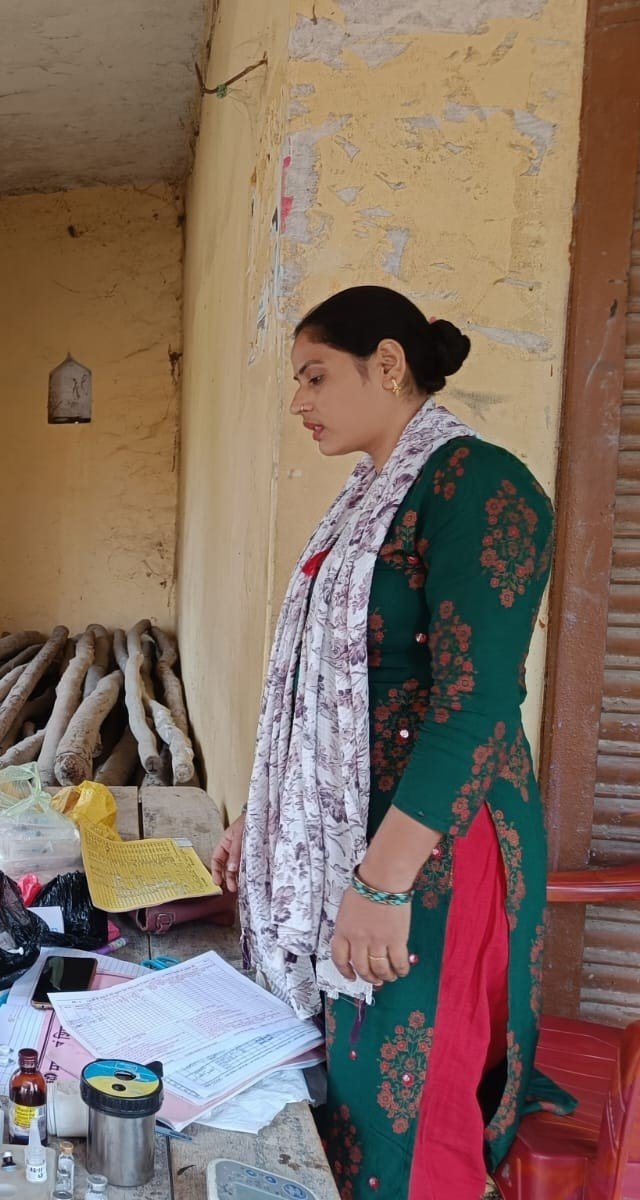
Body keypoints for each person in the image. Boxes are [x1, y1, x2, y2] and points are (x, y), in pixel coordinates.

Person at [210, 285, 568, 1199]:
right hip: (355, 838)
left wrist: (382, 882)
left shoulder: (478, 486)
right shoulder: (368, 497)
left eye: (315, 376)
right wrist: (264, 817)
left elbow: (476, 708)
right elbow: (319, 688)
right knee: (345, 1086)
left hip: (430, 847)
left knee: (407, 1104)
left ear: (389, 365)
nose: (299, 401)